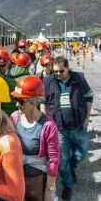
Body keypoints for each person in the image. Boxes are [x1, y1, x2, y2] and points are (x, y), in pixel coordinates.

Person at [41, 56, 93, 200]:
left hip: (78, 127)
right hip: (59, 130)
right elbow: (43, 102)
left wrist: (87, 118)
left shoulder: (79, 80)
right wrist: (46, 122)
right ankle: (67, 184)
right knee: (62, 160)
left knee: (81, 155)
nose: (58, 74)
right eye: (56, 71)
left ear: (68, 68)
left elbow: (89, 97)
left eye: (61, 71)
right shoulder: (48, 81)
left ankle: (71, 168)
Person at [10, 76, 60, 201]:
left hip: (36, 183)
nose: (17, 104)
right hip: (16, 180)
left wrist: (49, 190)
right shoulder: (14, 118)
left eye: (21, 101)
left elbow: (53, 160)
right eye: (16, 99)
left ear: (33, 102)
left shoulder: (48, 126)